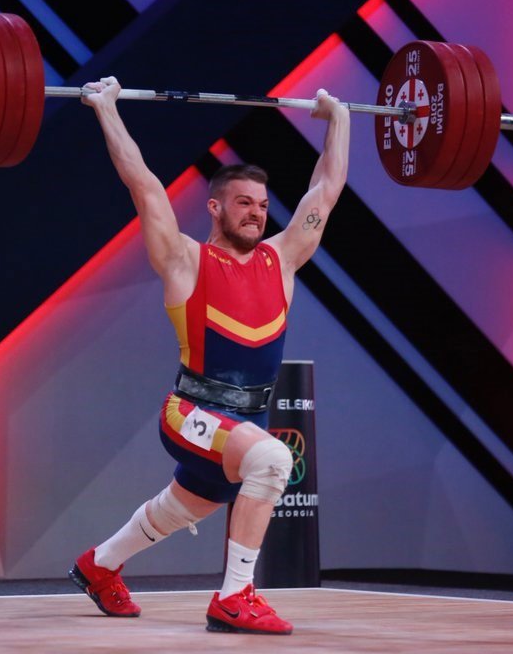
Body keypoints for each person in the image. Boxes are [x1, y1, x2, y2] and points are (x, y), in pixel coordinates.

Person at [68, 76, 349, 635]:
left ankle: (98, 566)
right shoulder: (185, 260)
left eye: (262, 205)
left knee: (186, 506)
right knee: (273, 461)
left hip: (246, 419)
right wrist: (106, 108)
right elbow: (143, 184)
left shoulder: (282, 260)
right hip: (191, 412)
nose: (256, 214)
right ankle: (235, 597)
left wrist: (338, 119)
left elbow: (326, 188)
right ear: (215, 207)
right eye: (244, 203)